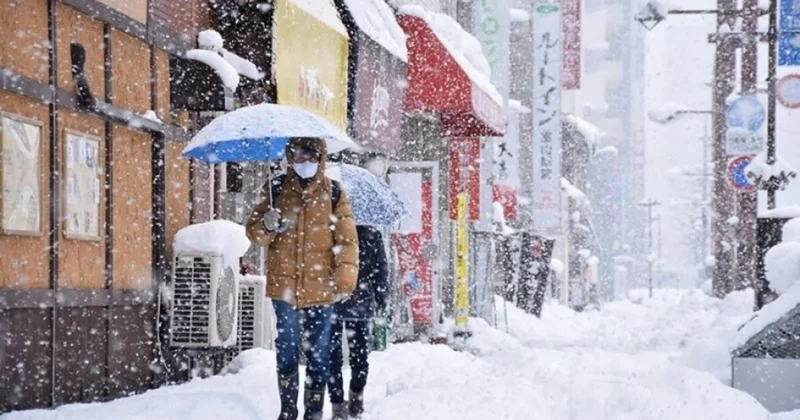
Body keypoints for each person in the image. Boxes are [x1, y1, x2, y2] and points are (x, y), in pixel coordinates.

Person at [246, 137, 359, 420]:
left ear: (321, 159)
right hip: (284, 287)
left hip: (322, 288)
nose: (304, 163)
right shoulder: (275, 189)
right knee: (286, 351)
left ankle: (314, 411)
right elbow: (256, 236)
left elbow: (347, 242)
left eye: (310, 157)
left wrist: (344, 282)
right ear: (289, 159)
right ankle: (287, 409)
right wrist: (266, 225)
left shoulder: (334, 192)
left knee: (319, 353)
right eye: (298, 157)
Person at [328, 225, 389, 419]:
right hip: (360, 304)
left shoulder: (329, 229)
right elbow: (380, 270)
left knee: (332, 356)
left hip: (331, 300)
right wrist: (381, 298)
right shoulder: (371, 234)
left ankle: (337, 404)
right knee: (359, 356)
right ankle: (356, 397)